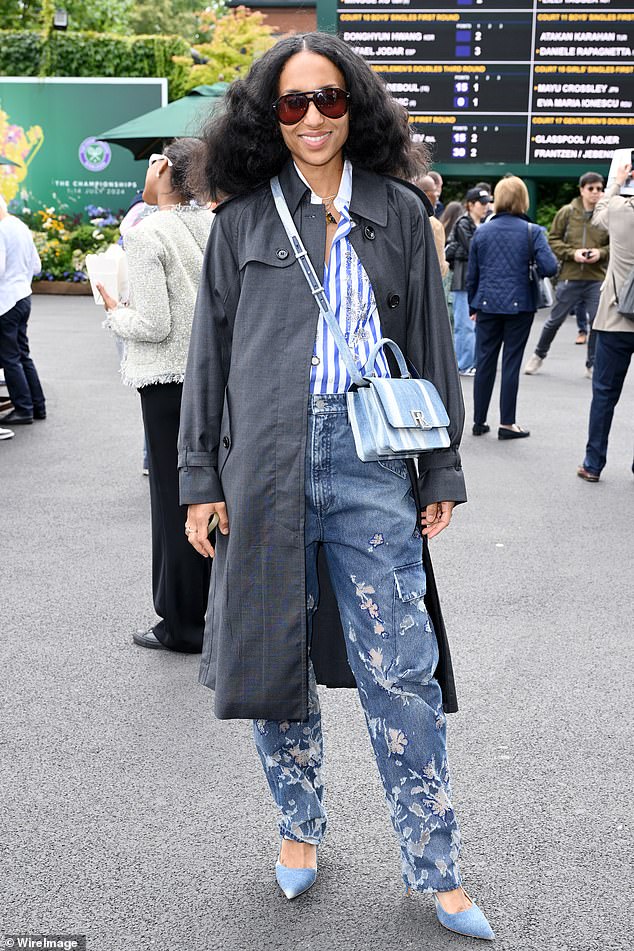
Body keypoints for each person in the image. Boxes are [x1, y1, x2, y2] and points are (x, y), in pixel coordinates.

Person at [178, 32, 494, 941]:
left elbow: (432, 348)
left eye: (327, 99)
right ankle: (299, 824)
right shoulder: (241, 223)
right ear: (266, 118)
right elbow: (209, 364)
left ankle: (436, 864)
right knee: (274, 658)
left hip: (371, 458)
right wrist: (200, 477)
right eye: (290, 103)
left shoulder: (398, 212)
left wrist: (440, 464)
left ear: (355, 106)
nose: (311, 118)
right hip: (264, 463)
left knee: (402, 666)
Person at [98, 138, 213, 653]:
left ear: (164, 168)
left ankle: (183, 623)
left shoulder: (148, 234)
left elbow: (152, 323)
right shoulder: (213, 224)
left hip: (166, 382)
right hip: (213, 379)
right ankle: (212, 612)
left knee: (173, 503)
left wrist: (112, 309)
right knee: (210, 497)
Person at [467, 176, 558, 439]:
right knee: (511, 363)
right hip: (520, 306)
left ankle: (479, 421)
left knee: (484, 362)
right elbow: (550, 267)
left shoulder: (482, 232)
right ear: (523, 200)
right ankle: (507, 423)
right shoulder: (533, 232)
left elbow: (473, 275)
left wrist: (474, 304)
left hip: (486, 304)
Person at [578, 159, 634, 482]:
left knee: (604, 394)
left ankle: (593, 464)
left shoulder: (618, 209)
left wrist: (616, 181)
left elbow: (596, 217)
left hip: (615, 318)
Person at [524, 172, 609, 378]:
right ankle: (538, 355)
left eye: (599, 189)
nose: (595, 193)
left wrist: (601, 253)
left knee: (597, 322)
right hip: (570, 275)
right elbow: (552, 239)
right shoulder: (567, 212)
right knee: (554, 320)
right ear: (582, 190)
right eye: (591, 189)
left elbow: (616, 243)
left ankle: (593, 363)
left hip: (596, 277)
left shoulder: (607, 214)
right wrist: (573, 254)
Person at [0, 195, 46, 426]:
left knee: (9, 358)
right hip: (23, 297)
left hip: (6, 300)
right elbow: (36, 265)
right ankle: (38, 406)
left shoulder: (0, 230)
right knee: (22, 354)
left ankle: (23, 408)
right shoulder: (20, 226)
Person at [445, 187, 492, 376]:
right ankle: (464, 364)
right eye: (482, 203)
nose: (486, 206)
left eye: (487, 202)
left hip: (476, 281)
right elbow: (475, 249)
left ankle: (469, 362)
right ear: (470, 204)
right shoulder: (463, 222)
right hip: (463, 280)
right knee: (464, 325)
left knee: (473, 325)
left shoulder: (484, 224)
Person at [415, 174, 449, 277]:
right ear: (427, 194)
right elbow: (439, 266)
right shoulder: (434, 224)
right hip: (426, 283)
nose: (437, 197)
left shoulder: (401, 215)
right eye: (435, 193)